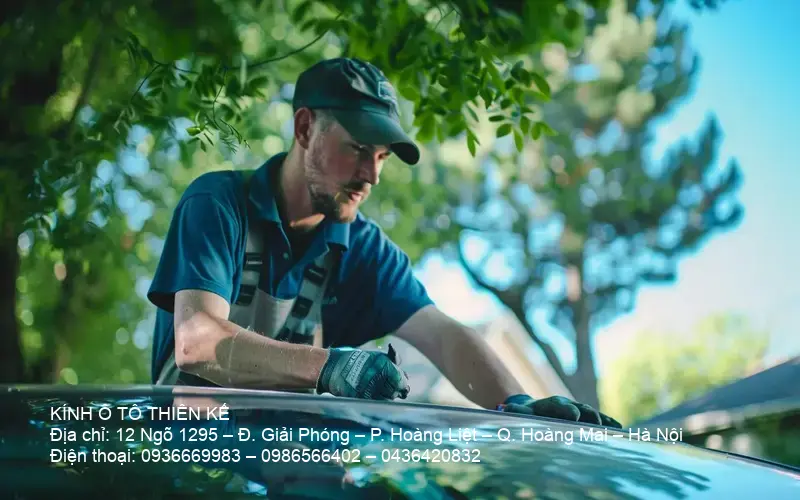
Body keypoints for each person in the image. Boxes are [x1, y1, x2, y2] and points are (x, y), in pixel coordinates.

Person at [147, 57, 621, 428]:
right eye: (357, 149)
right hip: (189, 465)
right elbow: (197, 341)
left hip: (290, 466)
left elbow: (443, 335)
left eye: (381, 157)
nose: (371, 175)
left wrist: (517, 404)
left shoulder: (366, 250)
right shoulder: (218, 204)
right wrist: (331, 366)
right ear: (305, 127)